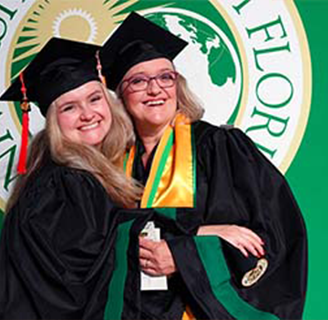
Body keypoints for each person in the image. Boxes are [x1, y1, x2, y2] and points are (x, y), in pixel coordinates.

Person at [99, 12, 308, 320]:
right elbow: (100, 244)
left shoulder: (220, 148)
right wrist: (202, 230)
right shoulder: (113, 165)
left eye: (165, 77)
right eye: (138, 81)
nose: (155, 89)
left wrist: (183, 256)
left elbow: (273, 236)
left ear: (177, 84)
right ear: (120, 95)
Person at [0, 37, 146, 319]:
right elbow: (91, 270)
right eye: (69, 107)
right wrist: (191, 236)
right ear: (53, 122)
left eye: (95, 99)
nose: (88, 114)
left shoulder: (80, 176)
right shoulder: (65, 186)